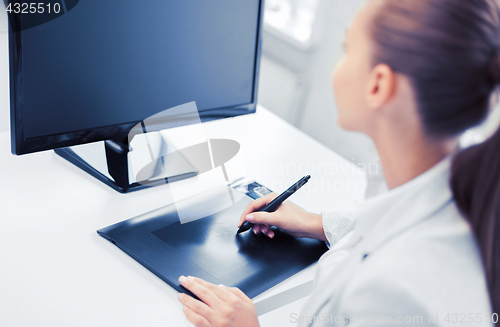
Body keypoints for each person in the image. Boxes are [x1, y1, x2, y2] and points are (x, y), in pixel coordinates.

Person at [176, 0, 500, 325]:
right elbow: (389, 220)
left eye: (347, 49)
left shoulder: (395, 292)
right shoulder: (452, 173)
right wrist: (316, 222)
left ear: (378, 85)